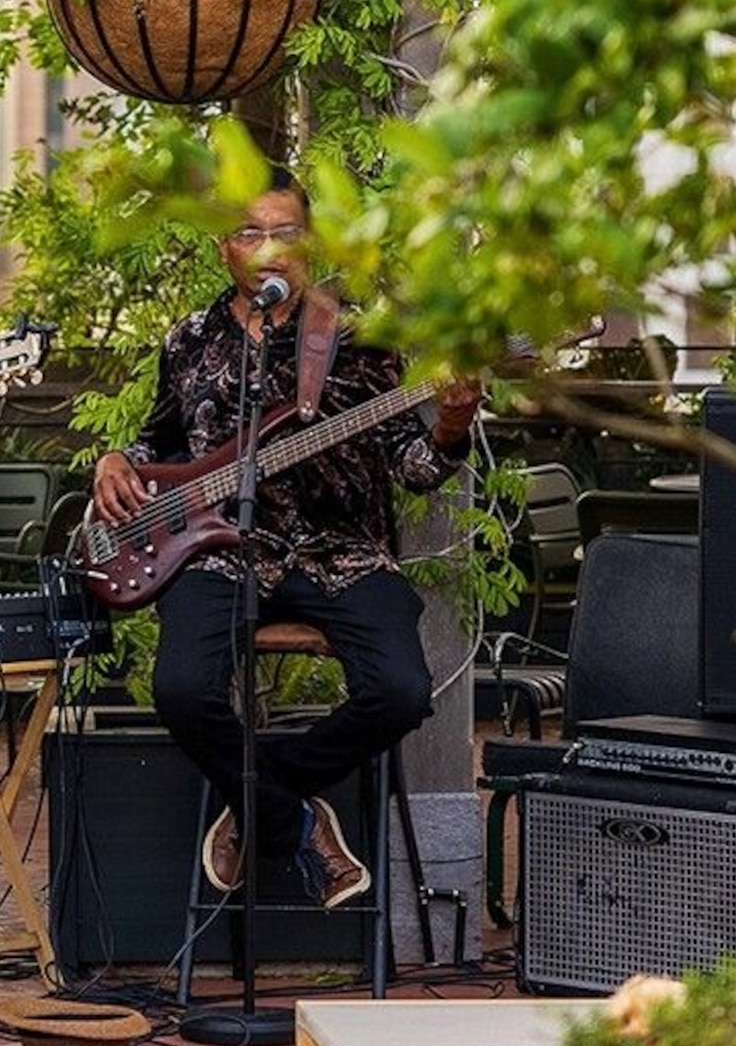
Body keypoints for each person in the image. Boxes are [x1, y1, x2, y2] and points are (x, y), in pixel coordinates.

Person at [86, 172, 477, 906]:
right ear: (222, 249)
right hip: (220, 554)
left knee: (400, 691)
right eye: (249, 234)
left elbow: (413, 467)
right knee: (179, 688)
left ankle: (267, 800)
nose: (269, 251)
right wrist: (117, 461)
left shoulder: (360, 341)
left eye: (287, 235)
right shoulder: (192, 340)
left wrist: (451, 427)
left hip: (341, 555)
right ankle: (294, 819)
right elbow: (157, 445)